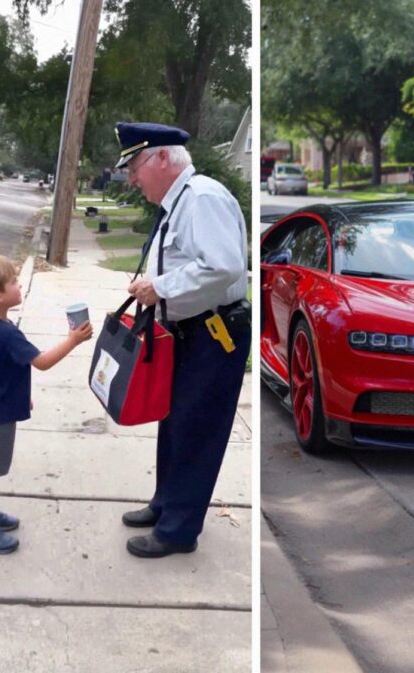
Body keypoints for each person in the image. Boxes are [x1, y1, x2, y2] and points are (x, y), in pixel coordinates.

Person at [114, 121, 250, 558]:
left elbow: (223, 266)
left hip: (214, 333)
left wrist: (161, 287)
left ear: (162, 157)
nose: (132, 179)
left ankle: (178, 531)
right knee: (173, 422)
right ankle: (166, 504)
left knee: (198, 430)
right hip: (188, 330)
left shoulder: (202, 198)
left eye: (134, 166)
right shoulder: (179, 202)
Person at [0, 254, 93, 553]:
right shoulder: (6, 333)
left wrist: (19, 396)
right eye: (14, 282)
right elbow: (41, 362)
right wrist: (73, 340)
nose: (19, 285)